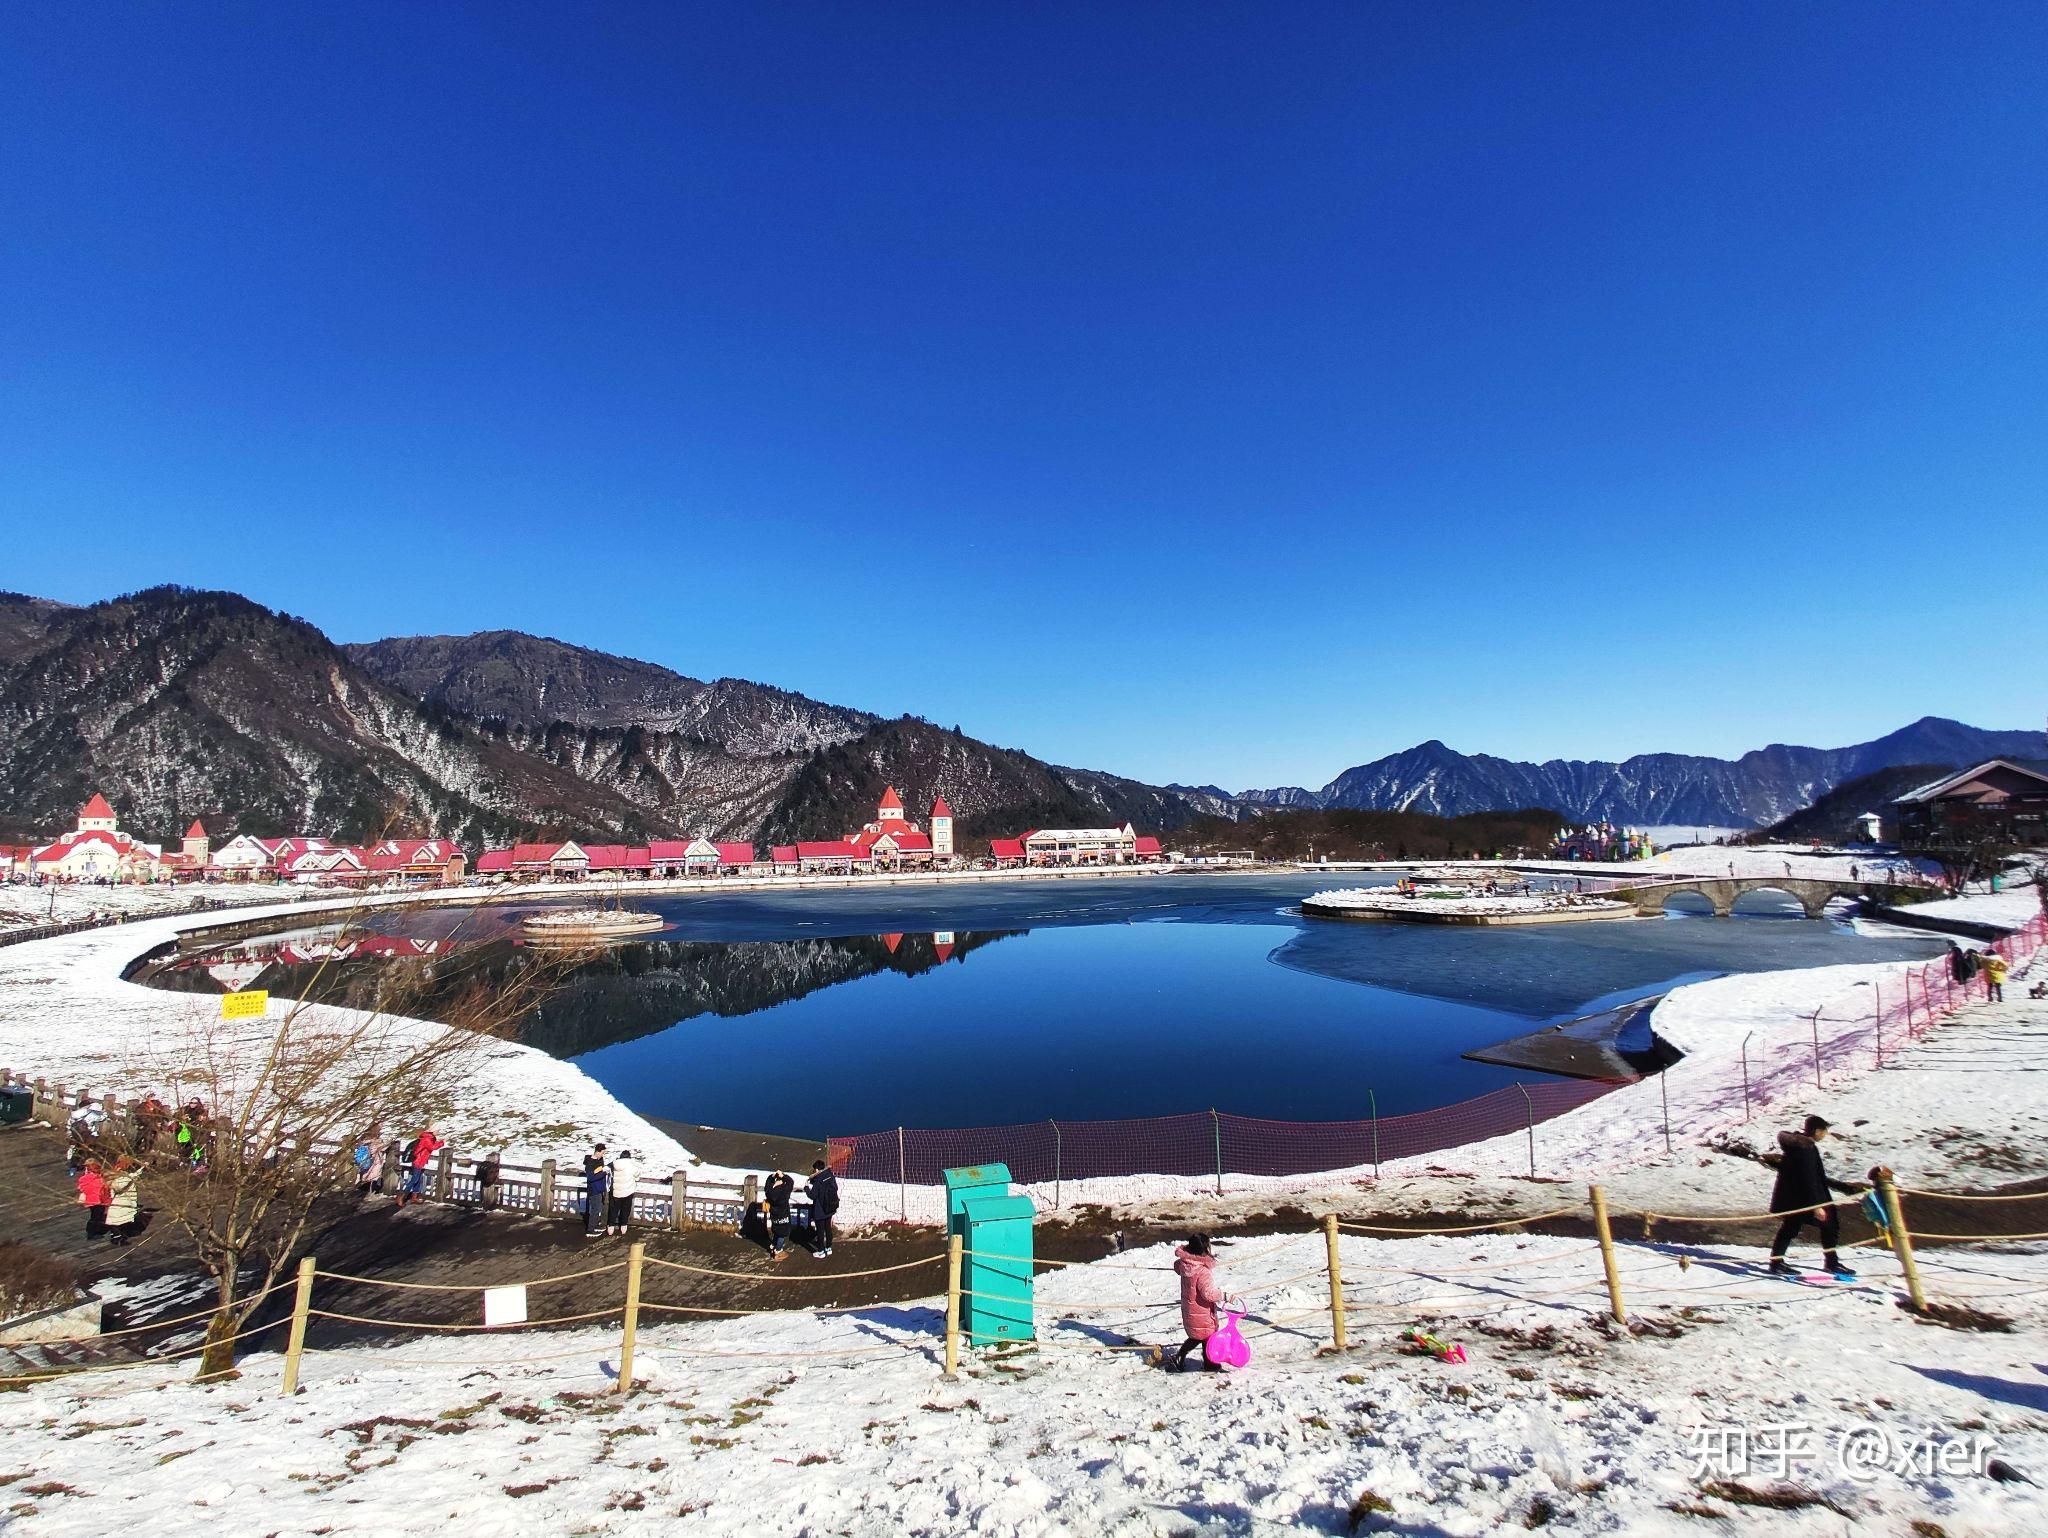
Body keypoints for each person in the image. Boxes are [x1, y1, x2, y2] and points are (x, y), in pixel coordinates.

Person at [1767, 1115, 1854, 1278]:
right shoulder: (1805, 1149)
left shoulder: (1799, 1146)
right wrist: (1816, 1206)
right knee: (1828, 1226)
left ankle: (1777, 1262)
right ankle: (1830, 1262)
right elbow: (1809, 1178)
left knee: (1791, 1227)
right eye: (1825, 1131)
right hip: (1804, 1198)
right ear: (1817, 1131)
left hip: (1796, 1197)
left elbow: (1814, 1176)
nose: (1826, 1134)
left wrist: (1844, 1188)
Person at [1172, 1235, 1231, 1371]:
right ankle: (1210, 1365)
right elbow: (1208, 1294)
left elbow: (1176, 1266)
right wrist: (1224, 1296)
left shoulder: (1183, 1264)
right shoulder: (1203, 1271)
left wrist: (1186, 1256)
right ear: (1205, 1248)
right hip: (1202, 1311)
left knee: (1197, 1335)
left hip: (1189, 1309)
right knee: (1207, 1337)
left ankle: (1181, 1356)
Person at [398, 1127, 443, 1207]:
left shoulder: (430, 1138)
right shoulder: (427, 1138)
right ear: (433, 1130)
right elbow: (432, 1147)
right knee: (414, 1180)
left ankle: (414, 1197)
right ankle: (401, 1197)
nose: (438, 1131)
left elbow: (431, 1146)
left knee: (418, 1179)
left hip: (420, 1161)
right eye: (437, 1130)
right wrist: (442, 1142)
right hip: (418, 1161)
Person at [105, 1156, 143, 1245]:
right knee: (118, 1220)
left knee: (117, 1220)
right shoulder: (120, 1177)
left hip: (121, 1202)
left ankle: (117, 1236)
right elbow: (121, 1184)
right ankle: (118, 1237)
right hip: (121, 1202)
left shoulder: (118, 1175)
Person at [806, 1159, 840, 1258]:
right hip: (830, 1207)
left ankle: (821, 1251)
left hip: (820, 1209)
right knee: (828, 1228)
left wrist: (806, 1188)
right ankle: (828, 1247)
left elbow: (812, 1195)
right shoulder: (830, 1175)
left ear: (816, 1169)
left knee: (820, 1231)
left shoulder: (818, 1181)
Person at [763, 1168, 795, 1260]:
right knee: (782, 1233)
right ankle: (778, 1250)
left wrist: (771, 1177)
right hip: (783, 1214)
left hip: (774, 1215)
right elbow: (791, 1182)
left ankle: (773, 1245)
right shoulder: (784, 1190)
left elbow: (767, 1185)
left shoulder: (769, 1191)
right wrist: (783, 1176)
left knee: (777, 1230)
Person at [607, 1149, 640, 1235]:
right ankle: (623, 1226)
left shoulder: (615, 1164)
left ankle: (610, 1227)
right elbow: (637, 1174)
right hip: (628, 1191)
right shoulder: (631, 1165)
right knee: (625, 1209)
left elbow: (606, 1169)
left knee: (614, 1209)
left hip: (616, 1191)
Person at [77, 1160, 111, 1241]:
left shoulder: (87, 1178)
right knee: (96, 1217)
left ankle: (94, 1232)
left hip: (93, 1200)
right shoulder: (95, 1177)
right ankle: (91, 1233)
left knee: (96, 1216)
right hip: (96, 1200)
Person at [583, 1143, 610, 1238]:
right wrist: (603, 1173)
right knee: (596, 1209)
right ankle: (590, 1229)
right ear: (598, 1152)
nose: (603, 1155)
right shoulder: (590, 1163)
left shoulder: (600, 1160)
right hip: (594, 1189)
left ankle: (595, 1224)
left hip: (600, 1188)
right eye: (602, 1153)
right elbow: (590, 1177)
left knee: (599, 1207)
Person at [353, 1127, 384, 1199]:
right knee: (372, 1178)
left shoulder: (364, 1141)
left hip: (366, 1162)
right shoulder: (375, 1142)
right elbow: (381, 1148)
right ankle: (369, 1193)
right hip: (373, 1162)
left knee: (364, 1176)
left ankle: (360, 1192)